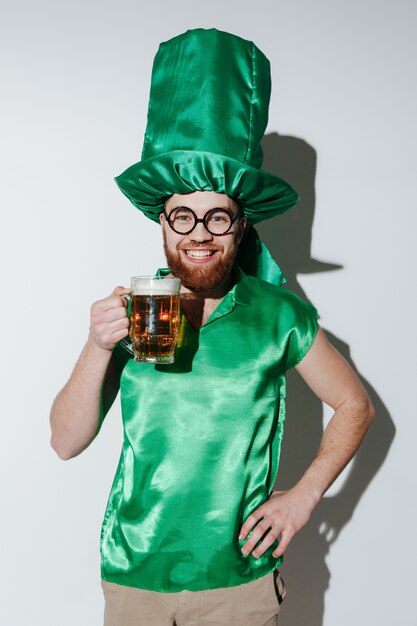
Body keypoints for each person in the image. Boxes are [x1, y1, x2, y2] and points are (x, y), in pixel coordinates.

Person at [50, 29, 374, 626]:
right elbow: (65, 442)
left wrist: (303, 499)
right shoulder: (133, 313)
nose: (199, 232)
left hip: (239, 584)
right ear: (162, 221)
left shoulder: (281, 314)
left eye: (216, 215)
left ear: (241, 224)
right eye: (182, 214)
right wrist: (97, 347)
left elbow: (355, 405)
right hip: (134, 578)